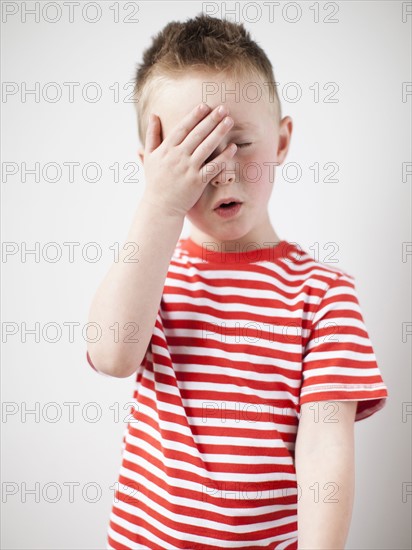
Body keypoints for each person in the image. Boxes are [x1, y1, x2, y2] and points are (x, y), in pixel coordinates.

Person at [86, 13, 389, 550]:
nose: (222, 172)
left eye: (240, 144)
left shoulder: (322, 295)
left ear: (282, 139)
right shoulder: (150, 273)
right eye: (194, 154)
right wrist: (159, 203)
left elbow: (324, 454)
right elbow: (111, 354)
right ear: (152, 166)